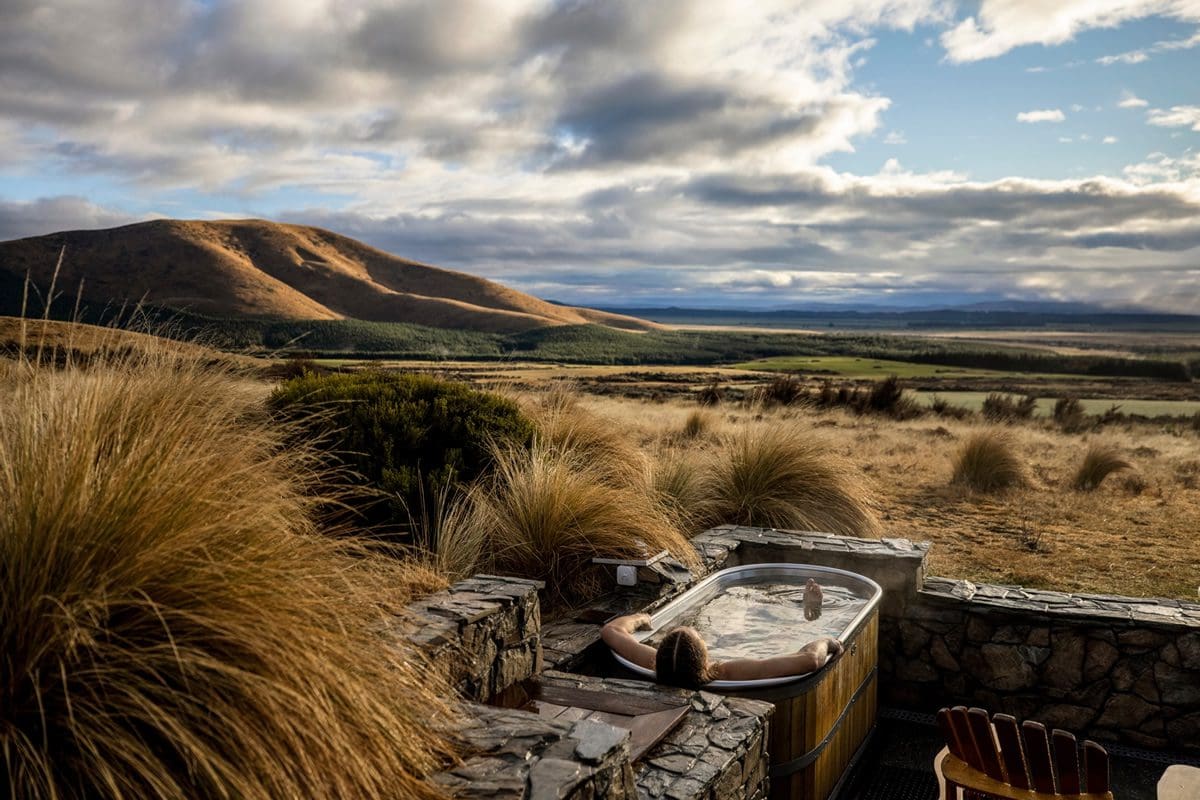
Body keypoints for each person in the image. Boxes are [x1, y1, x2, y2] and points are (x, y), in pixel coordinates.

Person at [601, 613, 844, 690]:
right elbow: (811, 659)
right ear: (704, 658)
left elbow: (612, 631)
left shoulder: (652, 663)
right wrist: (826, 640)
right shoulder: (727, 673)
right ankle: (811, 609)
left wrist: (640, 617)